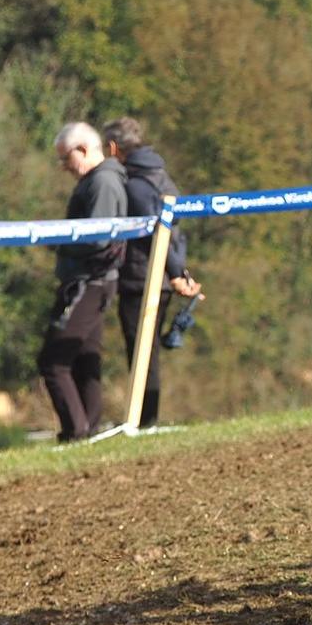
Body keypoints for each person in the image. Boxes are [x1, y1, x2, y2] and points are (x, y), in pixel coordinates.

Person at [102, 115, 202, 431]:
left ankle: (144, 422)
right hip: (161, 276)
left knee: (143, 352)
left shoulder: (135, 185)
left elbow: (156, 234)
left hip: (142, 278)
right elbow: (176, 231)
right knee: (149, 350)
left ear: (113, 148)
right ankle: (146, 421)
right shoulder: (161, 176)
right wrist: (180, 270)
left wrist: (176, 273)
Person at [38, 121, 129, 441]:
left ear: (84, 149)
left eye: (66, 159)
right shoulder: (97, 181)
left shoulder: (102, 182)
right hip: (93, 281)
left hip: (89, 282)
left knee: (53, 361)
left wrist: (57, 241)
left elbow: (98, 237)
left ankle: (75, 432)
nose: (64, 167)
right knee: (84, 359)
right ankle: (89, 430)